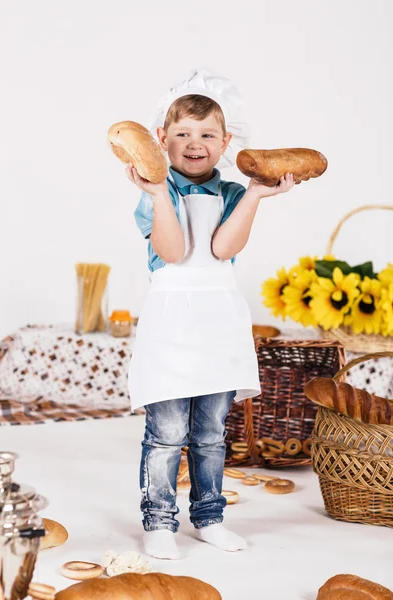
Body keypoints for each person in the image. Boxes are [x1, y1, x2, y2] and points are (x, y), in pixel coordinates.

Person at [126, 69, 294, 560]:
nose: (193, 143)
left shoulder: (234, 194)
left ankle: (209, 516)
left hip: (219, 322)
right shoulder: (156, 194)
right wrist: (159, 193)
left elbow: (223, 247)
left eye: (206, 135)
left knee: (209, 433)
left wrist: (257, 195)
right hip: (172, 322)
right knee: (167, 434)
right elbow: (175, 253)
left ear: (226, 143)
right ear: (161, 139)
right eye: (181, 134)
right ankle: (159, 521)